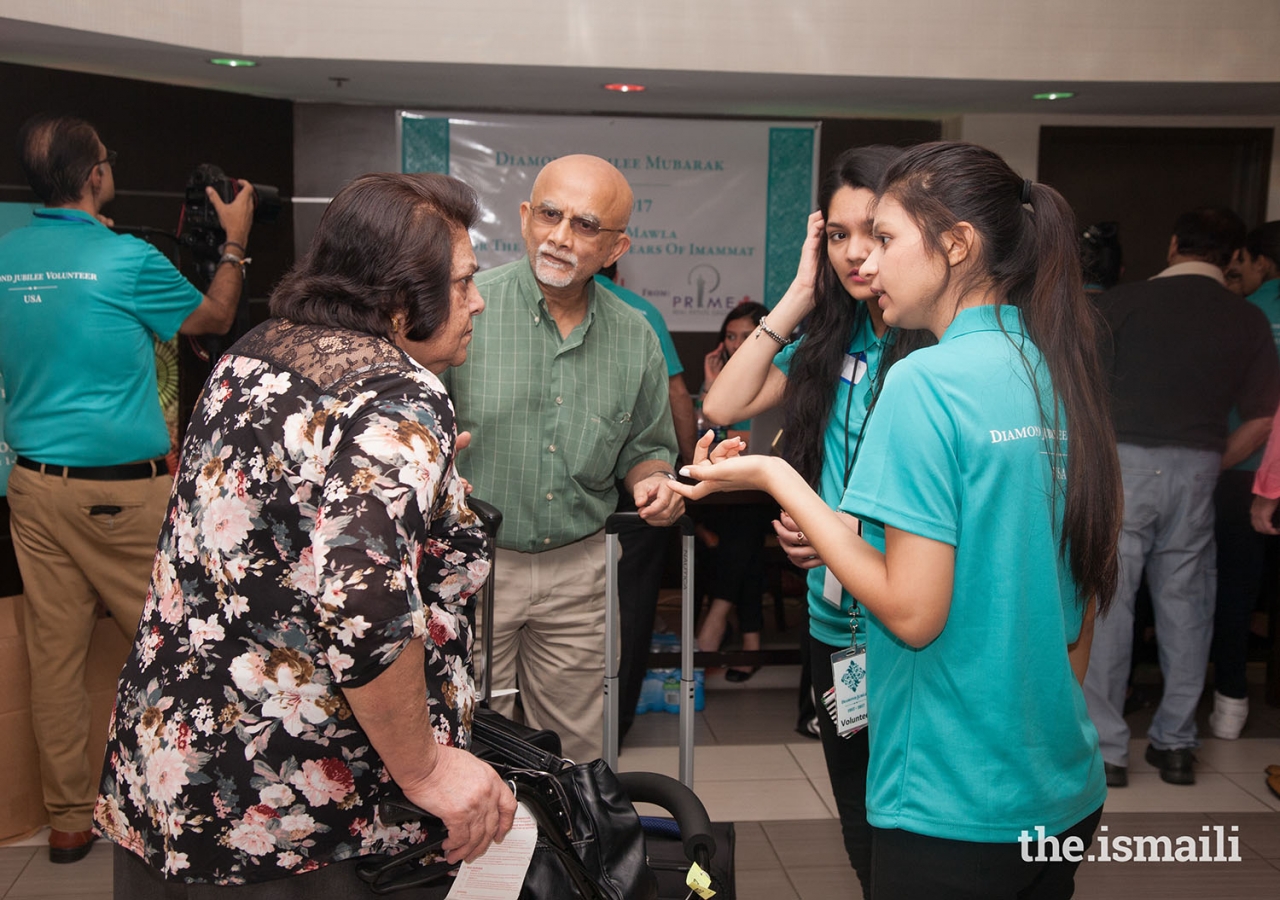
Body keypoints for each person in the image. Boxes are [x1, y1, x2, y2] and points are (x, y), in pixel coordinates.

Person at [675, 141, 1118, 898]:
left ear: (956, 245)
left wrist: (777, 477)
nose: (864, 263)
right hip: (1055, 782)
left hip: (951, 791)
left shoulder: (925, 380)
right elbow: (1072, 606)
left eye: (884, 239)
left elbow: (913, 612)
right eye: (853, 239)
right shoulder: (1049, 368)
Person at [94, 172, 516, 896]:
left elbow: (274, 526)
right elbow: (362, 606)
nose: (479, 301)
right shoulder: (401, 393)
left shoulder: (256, 351)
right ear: (397, 297)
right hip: (299, 810)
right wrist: (427, 769)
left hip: (176, 762)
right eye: (465, 281)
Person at [0, 113, 255, 863]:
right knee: (174, 646)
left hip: (34, 489)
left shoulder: (5, 258)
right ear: (94, 177)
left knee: (54, 660)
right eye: (107, 160)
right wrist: (235, 238)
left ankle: (70, 822)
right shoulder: (125, 259)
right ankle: (179, 806)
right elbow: (213, 317)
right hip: (123, 495)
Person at [698, 145, 925, 890]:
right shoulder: (834, 341)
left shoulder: (934, 346)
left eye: (876, 233)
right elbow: (723, 405)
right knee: (860, 822)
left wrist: (836, 526)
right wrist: (798, 293)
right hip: (836, 627)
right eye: (838, 236)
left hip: (914, 627)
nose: (857, 254)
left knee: (916, 829)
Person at [441, 154, 682, 763]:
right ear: (524, 217)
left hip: (581, 574)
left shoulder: (636, 335)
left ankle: (566, 860)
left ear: (616, 246)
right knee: (467, 741)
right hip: (472, 563)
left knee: (576, 754)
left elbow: (649, 448)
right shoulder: (464, 309)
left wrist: (656, 485)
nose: (560, 237)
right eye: (549, 214)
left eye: (585, 225)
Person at [1085, 208, 1280, 787]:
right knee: (1187, 605)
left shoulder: (1119, 304)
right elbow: (1266, 417)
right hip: (1198, 468)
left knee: (1113, 606)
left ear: (1173, 246)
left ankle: (1110, 752)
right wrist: (1206, 463)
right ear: (1234, 257)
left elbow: (1080, 392)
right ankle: (1174, 745)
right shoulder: (1244, 319)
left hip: (1122, 465)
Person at [595, 261, 696, 742]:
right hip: (635, 483)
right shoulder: (640, 312)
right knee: (629, 607)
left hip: (568, 497)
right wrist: (687, 463)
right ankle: (615, 726)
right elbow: (677, 391)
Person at [1211, 220, 1280, 739]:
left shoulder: (1252, 315)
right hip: (1258, 472)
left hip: (1242, 472)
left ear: (1261, 262)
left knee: (1229, 589)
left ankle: (1228, 702)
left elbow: (1259, 415)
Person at [695, 301, 776, 682]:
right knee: (742, 541)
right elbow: (704, 439)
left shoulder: (777, 371)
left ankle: (715, 621)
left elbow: (752, 442)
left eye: (748, 335)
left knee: (742, 529)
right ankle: (750, 643)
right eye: (731, 336)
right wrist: (711, 386)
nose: (738, 343)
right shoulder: (720, 382)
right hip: (721, 498)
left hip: (767, 494)